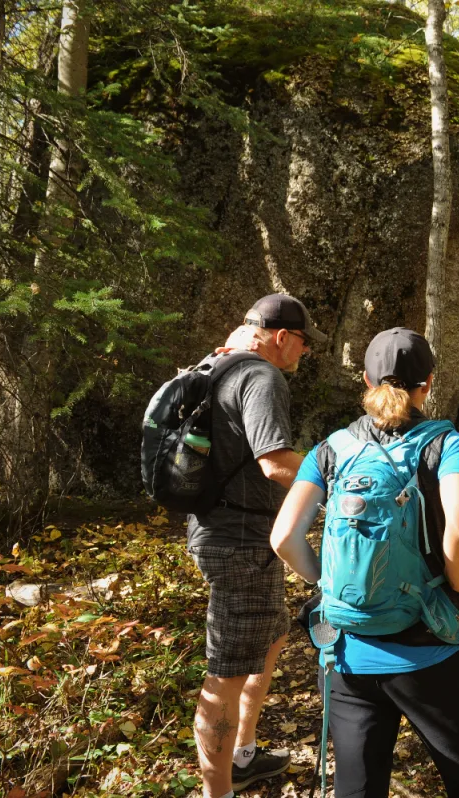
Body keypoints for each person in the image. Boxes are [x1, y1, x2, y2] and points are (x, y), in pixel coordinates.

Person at [271, 327, 459, 798]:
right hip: (430, 645)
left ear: (366, 379)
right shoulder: (447, 444)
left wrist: (330, 586)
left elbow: (283, 537)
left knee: (357, 787)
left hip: (346, 653)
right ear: (429, 383)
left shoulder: (331, 448)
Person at [187, 293, 326, 798]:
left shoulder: (218, 363)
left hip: (230, 532)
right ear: (283, 337)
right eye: (305, 343)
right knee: (225, 672)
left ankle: (242, 755)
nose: (305, 353)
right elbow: (275, 462)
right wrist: (343, 479)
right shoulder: (263, 376)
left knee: (270, 636)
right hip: (238, 542)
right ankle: (218, 792)